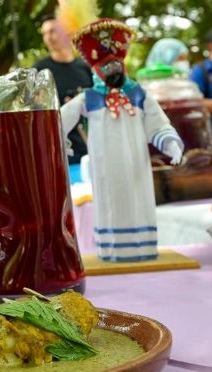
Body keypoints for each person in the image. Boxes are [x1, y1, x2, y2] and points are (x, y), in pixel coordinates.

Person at [58, 9, 183, 262]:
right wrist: (59, 140)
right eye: (106, 65)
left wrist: (170, 143)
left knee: (139, 201)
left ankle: (142, 249)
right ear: (96, 69)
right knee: (110, 204)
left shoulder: (139, 94)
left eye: (116, 63)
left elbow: (158, 124)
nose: (113, 68)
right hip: (105, 166)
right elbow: (58, 120)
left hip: (137, 163)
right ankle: (112, 250)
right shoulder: (90, 98)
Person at [33, 14, 92, 164]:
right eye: (44, 33)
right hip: (57, 152)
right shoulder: (39, 71)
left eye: (53, 31)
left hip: (89, 149)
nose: (48, 37)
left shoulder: (85, 68)